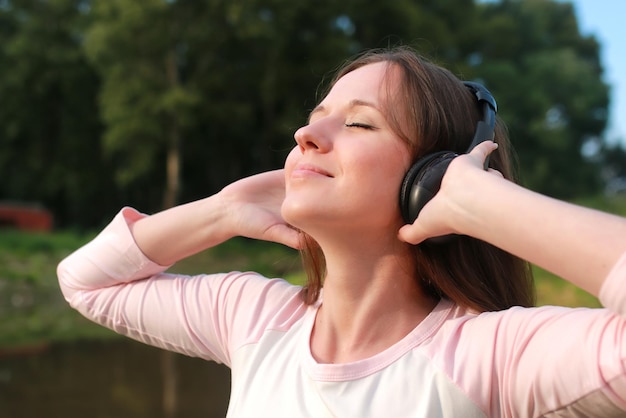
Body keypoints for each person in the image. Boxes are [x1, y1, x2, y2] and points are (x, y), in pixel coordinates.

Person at [57, 46, 626, 417]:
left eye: (358, 122)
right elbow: (86, 283)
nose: (308, 132)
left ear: (429, 178)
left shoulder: (486, 357)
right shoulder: (255, 319)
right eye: (317, 114)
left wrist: (487, 203)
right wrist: (223, 210)